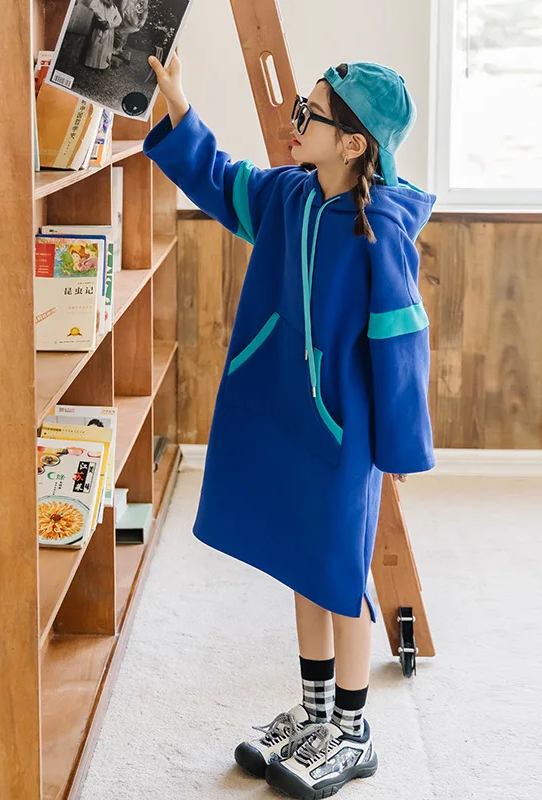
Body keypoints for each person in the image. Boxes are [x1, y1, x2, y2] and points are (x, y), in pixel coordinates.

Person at [145, 54, 435, 800]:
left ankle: (353, 731)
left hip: (344, 431)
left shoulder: (381, 230)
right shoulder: (287, 196)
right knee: (304, 569)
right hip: (284, 416)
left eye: (311, 114)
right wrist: (178, 104)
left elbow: (401, 341)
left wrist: (400, 445)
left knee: (340, 579)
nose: (294, 121)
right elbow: (218, 179)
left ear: (354, 144)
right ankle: (313, 714)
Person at [84, 0, 122, 71]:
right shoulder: (97, 2)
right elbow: (94, 9)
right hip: (100, 28)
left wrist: (110, 24)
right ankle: (92, 64)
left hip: (109, 31)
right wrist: (102, 21)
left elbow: (119, 19)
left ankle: (102, 65)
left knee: (105, 49)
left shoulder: (114, 7)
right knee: (96, 45)